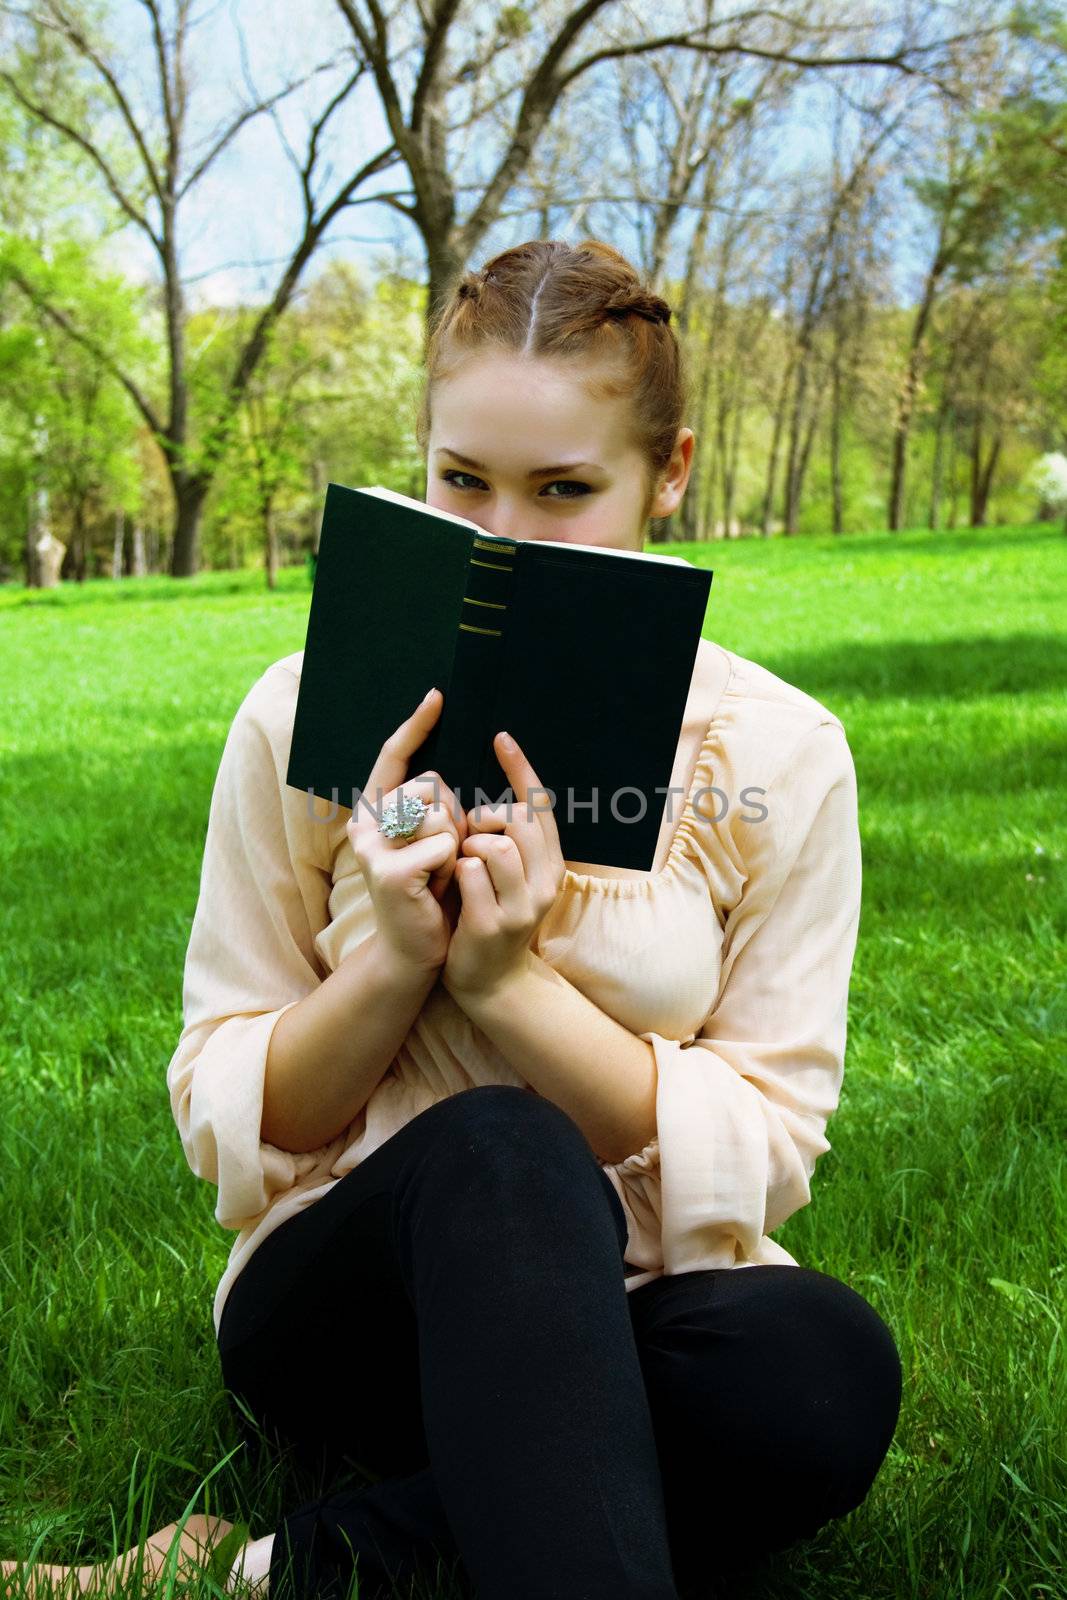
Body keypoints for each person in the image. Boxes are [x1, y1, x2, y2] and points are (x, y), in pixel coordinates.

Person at [4, 238, 902, 1600]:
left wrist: (506, 989)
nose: (502, 538)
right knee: (501, 1148)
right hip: (350, 1302)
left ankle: (246, 1566)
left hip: (637, 1308)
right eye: (462, 480)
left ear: (669, 474)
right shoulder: (293, 711)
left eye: (563, 491)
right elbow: (228, 1111)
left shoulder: (784, 754)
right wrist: (396, 964)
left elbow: (769, 1152)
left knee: (822, 1375)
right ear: (419, 458)